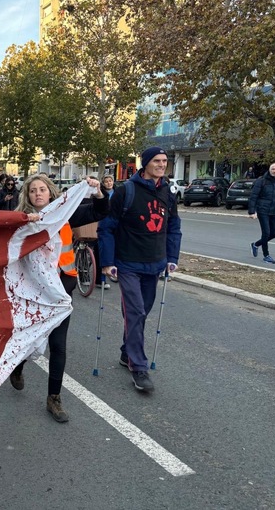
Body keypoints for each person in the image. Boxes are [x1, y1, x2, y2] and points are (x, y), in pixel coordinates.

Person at [10, 175, 108, 421]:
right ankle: (19, 366)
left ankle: (54, 398)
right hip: (34, 293)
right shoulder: (21, 221)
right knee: (30, 339)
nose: (38, 194)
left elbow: (100, 210)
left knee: (58, 345)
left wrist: (96, 191)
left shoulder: (65, 214)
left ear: (50, 193)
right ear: (27, 195)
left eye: (42, 189)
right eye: (33, 191)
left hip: (62, 288)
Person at [98, 147, 182, 393]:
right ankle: (139, 367)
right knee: (135, 311)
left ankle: (127, 352)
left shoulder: (168, 192)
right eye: (156, 161)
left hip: (155, 263)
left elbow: (174, 226)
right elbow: (107, 228)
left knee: (142, 312)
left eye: (164, 161)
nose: (161, 165)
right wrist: (107, 261)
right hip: (128, 264)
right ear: (145, 164)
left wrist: (172, 257)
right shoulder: (126, 191)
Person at [248, 162, 275, 264]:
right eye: (273, 169)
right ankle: (266, 255)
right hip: (263, 210)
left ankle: (256, 244)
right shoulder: (261, 181)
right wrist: (252, 211)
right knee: (266, 233)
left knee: (273, 234)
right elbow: (253, 196)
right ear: (269, 170)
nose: (274, 171)